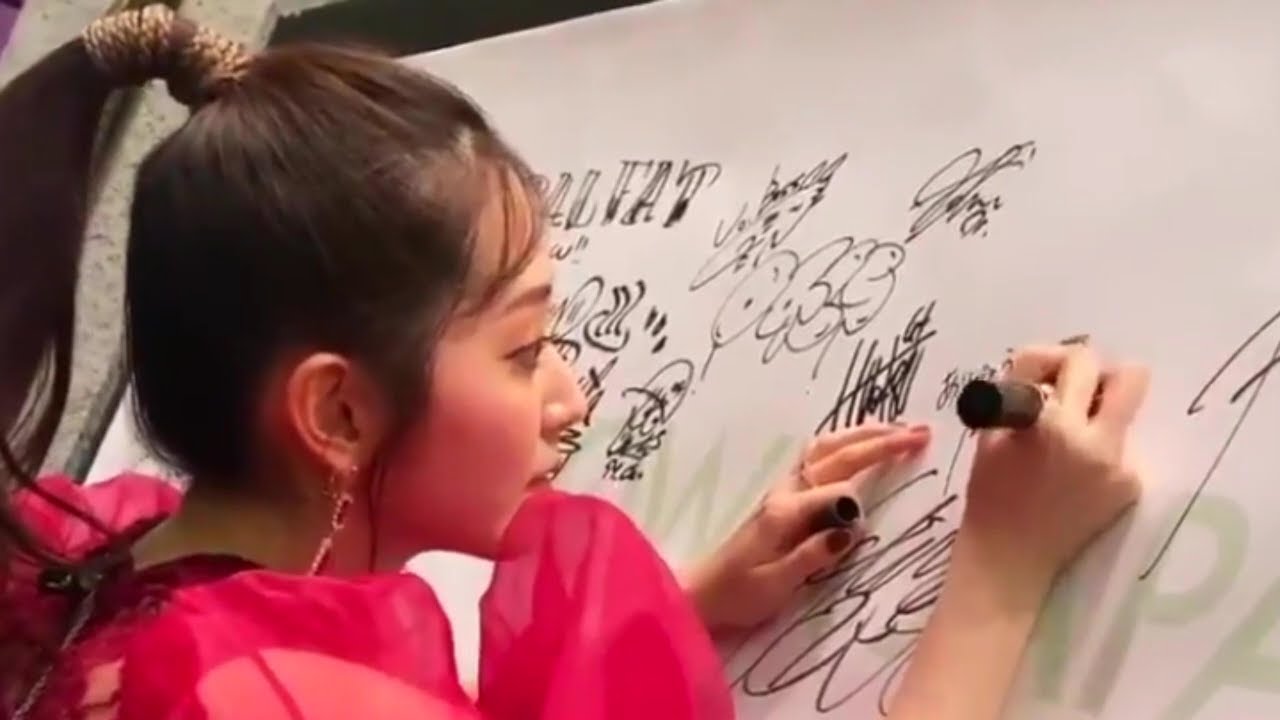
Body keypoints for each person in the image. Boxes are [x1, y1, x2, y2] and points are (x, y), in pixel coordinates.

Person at [0, 6, 1150, 719]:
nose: (571, 397)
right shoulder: (271, 698)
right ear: (338, 415)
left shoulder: (83, 556)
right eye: (524, 349)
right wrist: (999, 575)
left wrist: (688, 604)